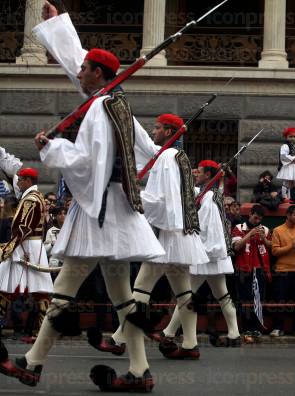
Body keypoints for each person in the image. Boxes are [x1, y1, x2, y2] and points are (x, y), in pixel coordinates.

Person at [0, 4, 166, 391]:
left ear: (99, 75)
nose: (78, 73)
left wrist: (52, 148)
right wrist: (56, 24)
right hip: (116, 209)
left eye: (85, 70)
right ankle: (140, 369)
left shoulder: (99, 109)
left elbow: (88, 162)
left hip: (99, 210)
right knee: (123, 295)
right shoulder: (117, 103)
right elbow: (144, 147)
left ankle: (34, 361)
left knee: (66, 286)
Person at [88, 113, 210, 360]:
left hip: (167, 235)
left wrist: (132, 195)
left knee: (141, 288)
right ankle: (190, 343)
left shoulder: (166, 157)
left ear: (168, 132)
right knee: (184, 293)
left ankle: (120, 339)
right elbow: (146, 148)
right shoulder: (179, 156)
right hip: (180, 235)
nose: (154, 131)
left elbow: (163, 200)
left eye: (157, 128)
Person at [161, 159, 241, 347]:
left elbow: (208, 229)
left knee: (186, 295)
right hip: (209, 256)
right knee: (222, 295)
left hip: (206, 255)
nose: (195, 174)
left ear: (207, 175)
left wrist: (197, 251)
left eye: (198, 171)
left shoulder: (210, 198)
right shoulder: (206, 194)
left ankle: (169, 332)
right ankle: (234, 333)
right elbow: (187, 193)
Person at [0, 168, 53, 344]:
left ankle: (42, 333)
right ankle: (42, 333)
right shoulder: (35, 196)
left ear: (28, 181)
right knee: (33, 290)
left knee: (8, 286)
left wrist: (8, 248)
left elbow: (23, 228)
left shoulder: (30, 199)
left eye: (21, 180)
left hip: (26, 246)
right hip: (29, 246)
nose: (19, 182)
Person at [231, 204, 272, 342]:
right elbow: (236, 247)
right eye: (255, 218)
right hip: (243, 269)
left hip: (260, 269)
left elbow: (271, 248)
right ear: (250, 214)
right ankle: (246, 329)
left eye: (259, 219)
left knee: (258, 299)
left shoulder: (265, 229)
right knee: (245, 299)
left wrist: (263, 238)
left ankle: (256, 329)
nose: (257, 221)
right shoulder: (239, 228)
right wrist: (250, 234)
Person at [270, 205, 295, 337]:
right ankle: (278, 327)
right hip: (282, 270)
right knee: (280, 300)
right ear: (288, 215)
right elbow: (274, 251)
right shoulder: (277, 230)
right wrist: (291, 246)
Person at [276, 127, 295, 202]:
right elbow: (283, 156)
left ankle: (288, 197)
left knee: (289, 184)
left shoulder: (291, 146)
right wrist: (293, 158)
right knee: (286, 182)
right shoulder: (285, 146)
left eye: (294, 137)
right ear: (286, 137)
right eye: (290, 136)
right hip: (287, 167)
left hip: (292, 166)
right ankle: (284, 197)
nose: (293, 138)